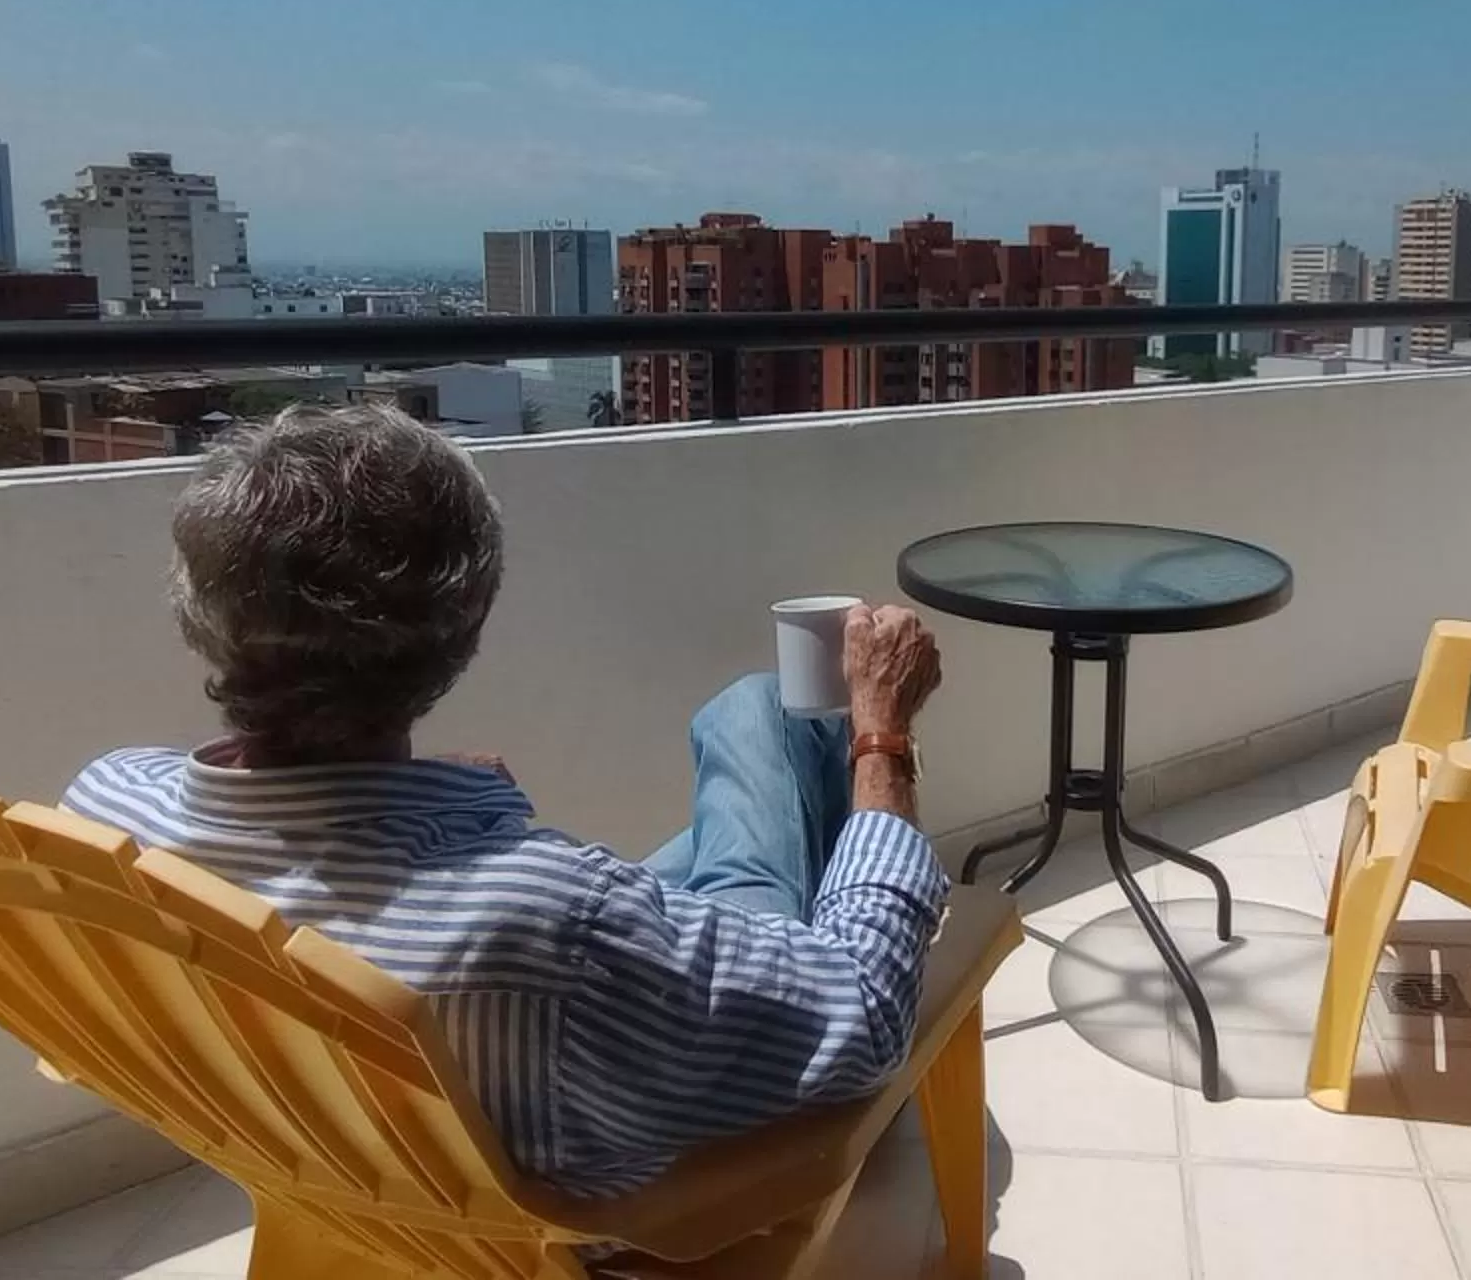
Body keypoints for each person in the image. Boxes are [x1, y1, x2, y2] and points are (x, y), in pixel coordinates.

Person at [62, 402, 950, 1198]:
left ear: (202, 612)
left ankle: (791, 836)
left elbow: (325, 860)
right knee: (766, 724)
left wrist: (437, 798)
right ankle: (820, 883)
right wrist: (883, 733)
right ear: (469, 618)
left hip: (342, 1160)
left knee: (753, 713)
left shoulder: (106, 808)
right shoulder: (546, 917)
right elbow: (865, 1017)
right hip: (619, 1205)